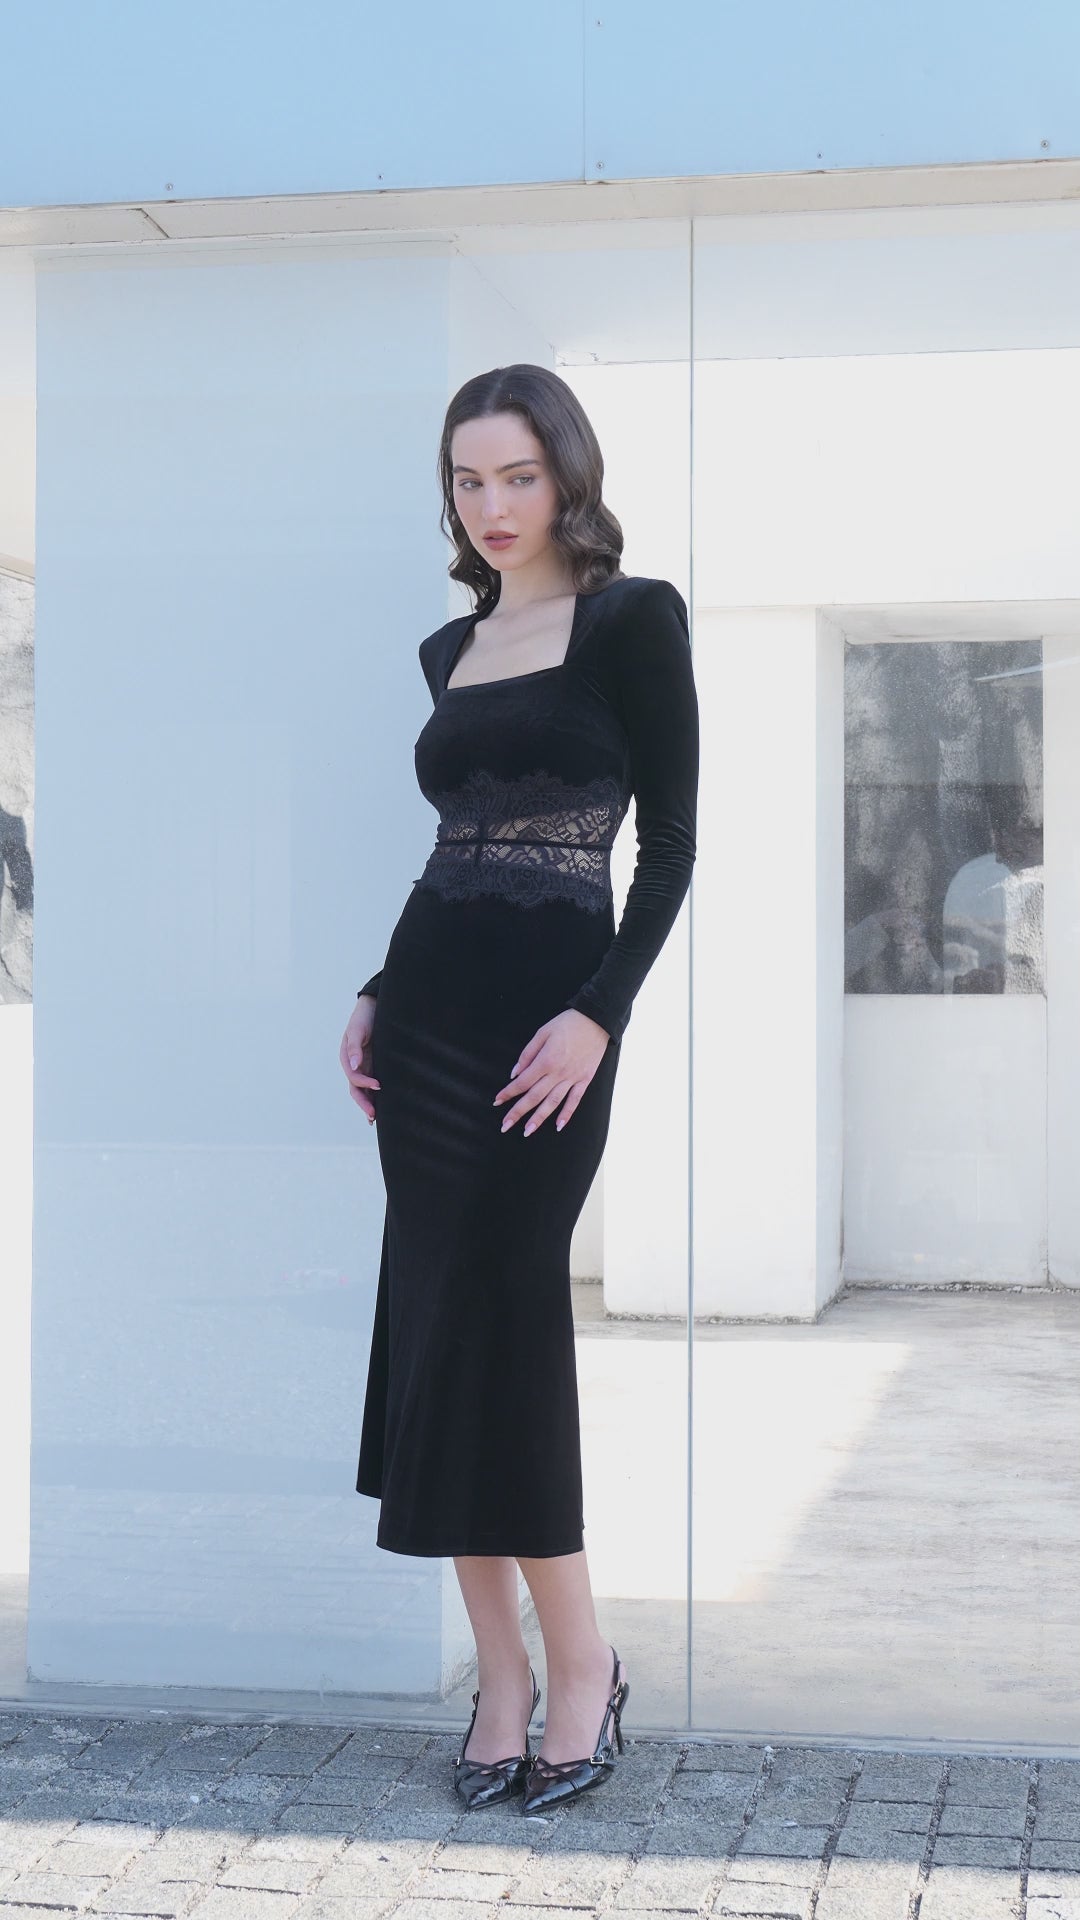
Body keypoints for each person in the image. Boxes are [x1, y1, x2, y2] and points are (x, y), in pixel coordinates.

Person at [339, 363, 699, 1813]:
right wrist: (377, 987)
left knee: (507, 1326)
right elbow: (457, 850)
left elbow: (669, 849)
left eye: (518, 476)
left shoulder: (632, 620)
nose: (492, 505)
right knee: (439, 1331)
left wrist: (597, 1017)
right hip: (430, 1015)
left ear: (567, 476)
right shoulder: (450, 648)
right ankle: (502, 1676)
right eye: (468, 480)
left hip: (551, 1030)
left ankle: (584, 1662)